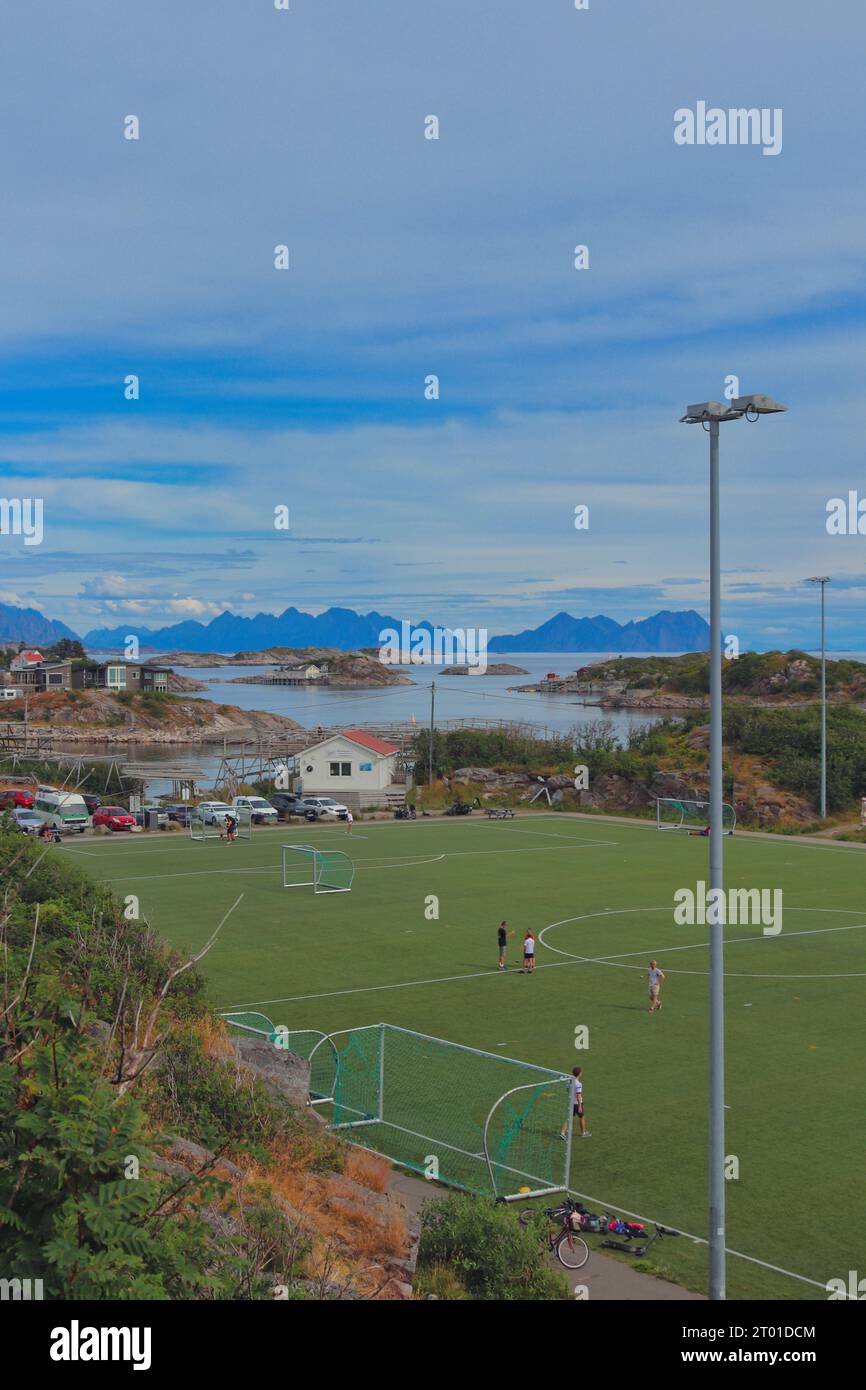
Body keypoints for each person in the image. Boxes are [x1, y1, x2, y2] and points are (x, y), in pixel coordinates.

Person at [561, 1066, 590, 1139]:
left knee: (568, 1118)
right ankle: (583, 1133)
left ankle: (562, 1133)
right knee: (582, 1116)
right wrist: (580, 1106)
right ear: (579, 1074)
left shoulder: (569, 1081)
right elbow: (578, 1095)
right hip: (577, 1103)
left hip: (571, 1102)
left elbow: (567, 1090)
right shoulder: (578, 1084)